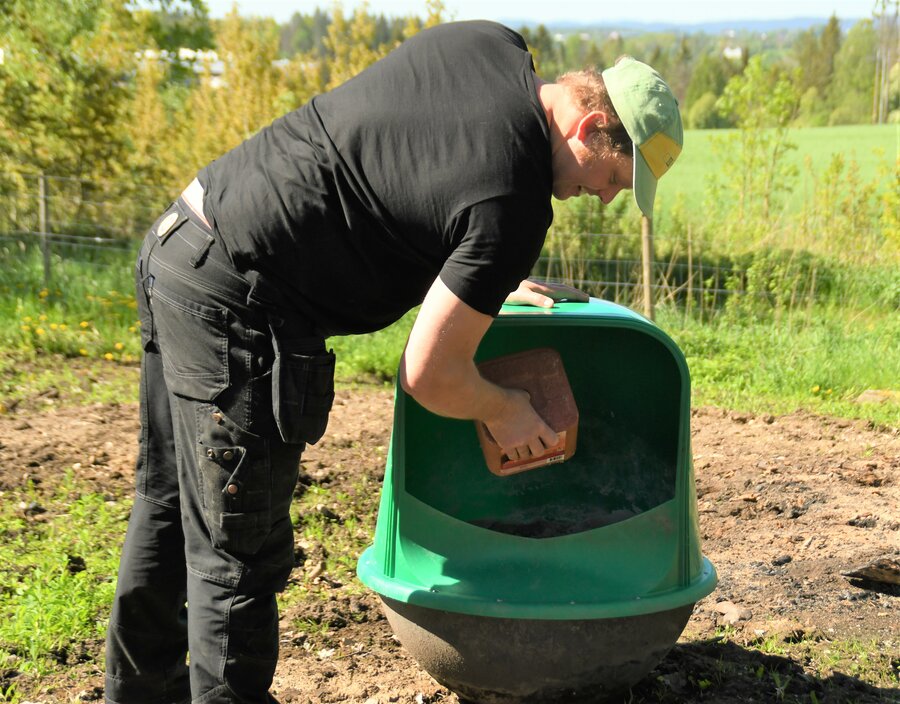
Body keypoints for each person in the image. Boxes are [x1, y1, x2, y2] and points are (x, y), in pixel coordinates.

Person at [104, 19, 682, 704]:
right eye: (615, 178)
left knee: (167, 506)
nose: (609, 197)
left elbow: (411, 172)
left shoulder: (491, 44)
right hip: (241, 305)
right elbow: (430, 374)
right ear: (587, 129)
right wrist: (506, 408)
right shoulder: (514, 204)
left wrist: (479, 276)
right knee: (238, 559)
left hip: (183, 244)